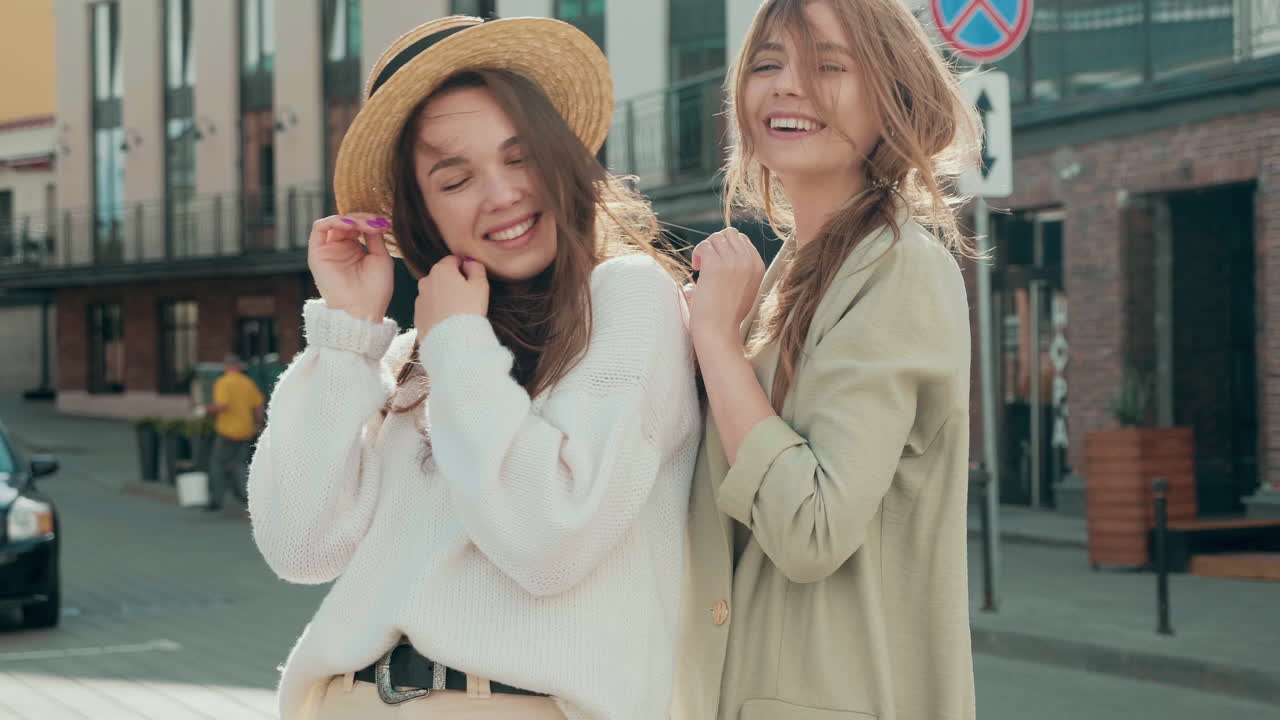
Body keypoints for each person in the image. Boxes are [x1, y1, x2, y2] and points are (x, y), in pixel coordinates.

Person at [247, 15, 699, 720]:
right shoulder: (423, 358)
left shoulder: (628, 298)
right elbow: (300, 547)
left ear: (561, 158)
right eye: (454, 178)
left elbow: (551, 540)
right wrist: (349, 333)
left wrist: (457, 340)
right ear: (420, 214)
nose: (502, 193)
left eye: (519, 158)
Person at [672, 1, 981, 718]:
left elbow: (812, 526)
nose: (788, 86)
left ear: (893, 95)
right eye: (768, 64)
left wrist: (717, 345)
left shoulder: (896, 265)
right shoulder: (794, 270)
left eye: (829, 66)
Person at [205, 352, 264, 512]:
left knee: (217, 464)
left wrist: (206, 410)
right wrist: (258, 424)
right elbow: (258, 406)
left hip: (227, 432)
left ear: (226, 367)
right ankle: (246, 497)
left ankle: (216, 500)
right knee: (240, 464)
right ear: (239, 367)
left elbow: (222, 405)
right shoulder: (248, 383)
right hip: (246, 430)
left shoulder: (223, 382)